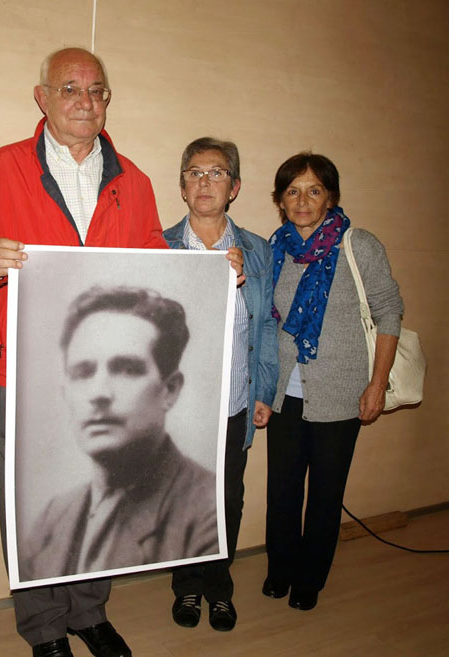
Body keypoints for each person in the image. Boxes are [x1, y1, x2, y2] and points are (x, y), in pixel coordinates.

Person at [0, 47, 166, 657]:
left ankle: (89, 612)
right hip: (20, 370)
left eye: (97, 90)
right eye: (70, 88)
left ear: (108, 101)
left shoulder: (135, 181)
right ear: (42, 97)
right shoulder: (0, 168)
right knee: (33, 504)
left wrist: (205, 272)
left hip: (103, 375)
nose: (85, 101)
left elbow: (154, 261)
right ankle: (45, 626)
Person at [263, 152, 404, 611]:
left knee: (325, 494)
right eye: (293, 191)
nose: (303, 201)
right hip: (285, 393)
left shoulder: (357, 245)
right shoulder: (277, 247)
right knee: (282, 489)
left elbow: (389, 312)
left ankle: (310, 578)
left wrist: (377, 383)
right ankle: (281, 568)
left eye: (314, 190)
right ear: (281, 200)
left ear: (331, 197)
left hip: (341, 392)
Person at [20, 286, 220, 580]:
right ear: (66, 390)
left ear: (170, 389)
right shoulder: (52, 518)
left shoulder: (208, 511)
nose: (99, 393)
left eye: (127, 369)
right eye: (83, 372)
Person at [162, 138, 279, 632]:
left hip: (233, 399)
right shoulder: (159, 245)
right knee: (181, 495)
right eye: (194, 172)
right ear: (182, 185)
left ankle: (219, 587)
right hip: (180, 404)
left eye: (216, 173)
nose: (204, 182)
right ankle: (186, 586)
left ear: (234, 187)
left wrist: (264, 390)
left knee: (227, 498)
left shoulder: (257, 250)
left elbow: (267, 324)